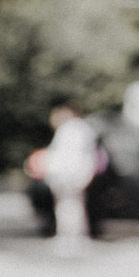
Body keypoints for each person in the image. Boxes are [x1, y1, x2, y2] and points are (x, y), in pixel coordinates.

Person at [45, 101, 98, 257]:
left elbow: (71, 157)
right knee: (70, 207)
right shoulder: (79, 129)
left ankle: (72, 238)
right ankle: (70, 237)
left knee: (71, 208)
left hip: (69, 176)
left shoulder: (72, 129)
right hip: (70, 176)